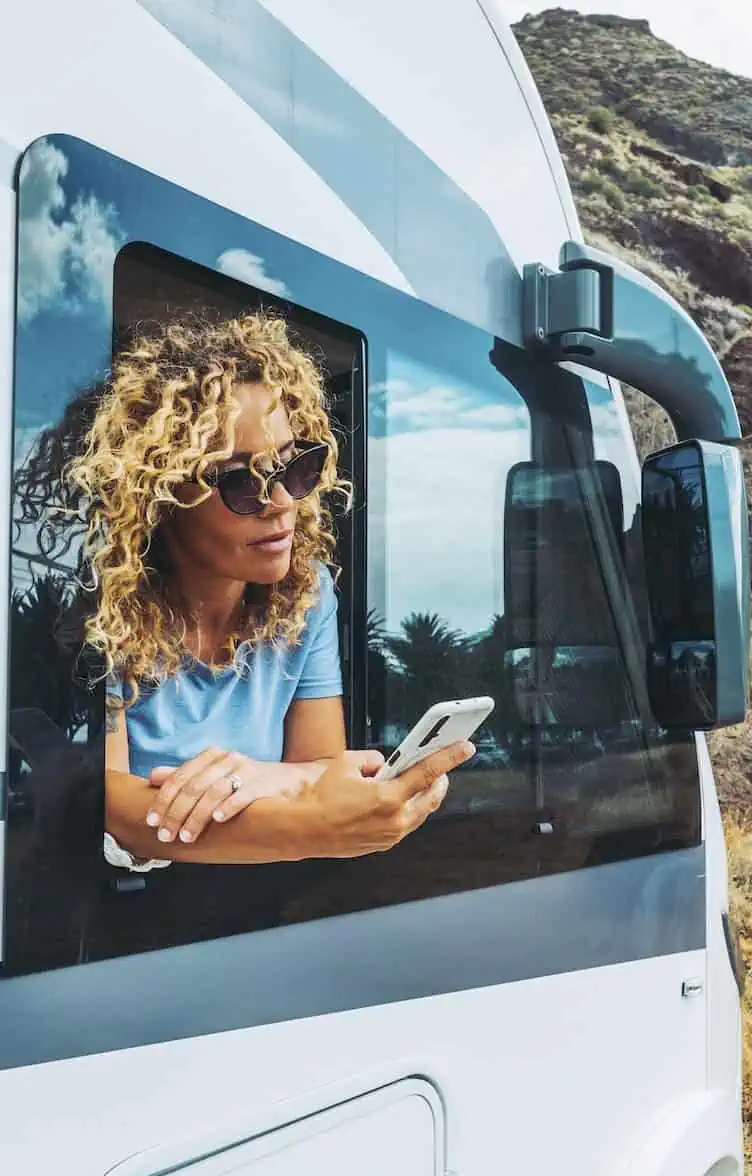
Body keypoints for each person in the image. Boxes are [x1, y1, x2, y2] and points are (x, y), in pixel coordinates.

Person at [64, 316, 469, 866]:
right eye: (240, 481)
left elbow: (322, 768)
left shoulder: (308, 592)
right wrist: (310, 827)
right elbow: (108, 805)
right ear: (160, 496)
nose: (282, 502)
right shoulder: (104, 604)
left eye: (295, 468)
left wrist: (259, 777)